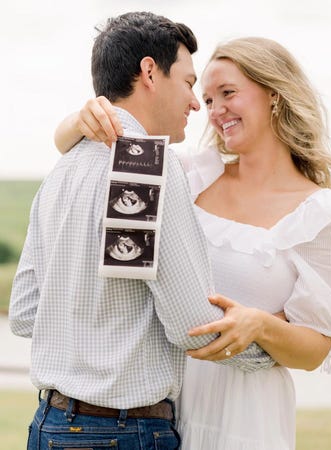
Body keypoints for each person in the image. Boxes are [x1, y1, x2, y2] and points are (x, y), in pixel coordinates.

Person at [54, 36, 331, 449]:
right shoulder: (189, 174)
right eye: (208, 99)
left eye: (227, 94)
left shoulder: (326, 214)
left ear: (274, 94)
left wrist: (260, 324)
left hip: (245, 417)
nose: (215, 112)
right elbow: (77, 148)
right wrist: (80, 119)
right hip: (158, 409)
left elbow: (315, 349)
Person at [8, 14, 274, 450]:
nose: (194, 103)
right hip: (122, 433)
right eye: (189, 83)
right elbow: (194, 325)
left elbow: (23, 312)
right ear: (150, 72)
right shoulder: (145, 165)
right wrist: (269, 348)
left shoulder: (62, 169)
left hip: (47, 427)